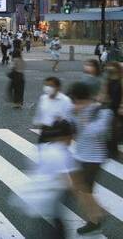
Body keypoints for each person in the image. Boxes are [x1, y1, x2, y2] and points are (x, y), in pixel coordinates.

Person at [67, 81, 113, 235]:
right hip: (79, 154)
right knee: (76, 188)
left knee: (85, 190)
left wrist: (82, 116)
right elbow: (72, 128)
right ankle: (98, 214)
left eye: (76, 100)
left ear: (84, 99)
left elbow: (96, 131)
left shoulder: (102, 112)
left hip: (94, 158)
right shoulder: (78, 109)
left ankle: (95, 221)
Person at [33, 77, 73, 142]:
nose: (48, 88)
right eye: (46, 85)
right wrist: (36, 122)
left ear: (58, 87)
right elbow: (39, 113)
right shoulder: (43, 98)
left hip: (59, 132)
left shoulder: (66, 100)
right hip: (45, 131)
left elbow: (69, 118)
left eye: (51, 86)